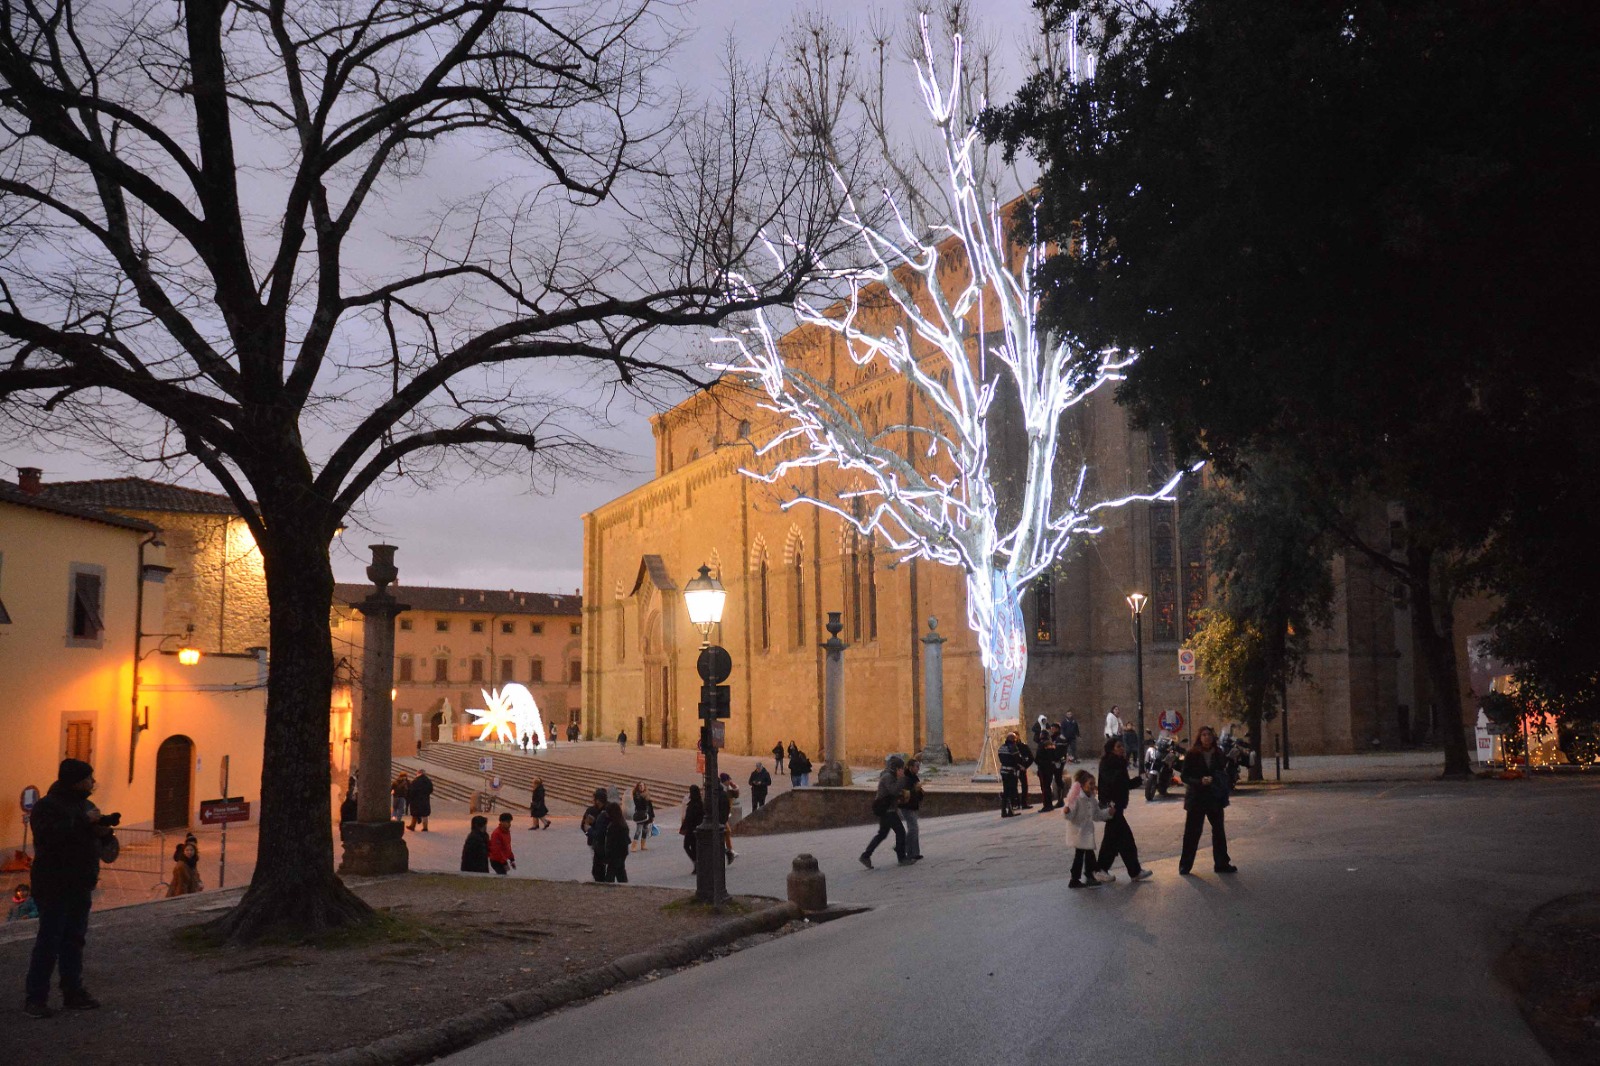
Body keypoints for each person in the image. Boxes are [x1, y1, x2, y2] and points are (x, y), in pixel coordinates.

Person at [25, 758, 114, 1017]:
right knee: (49, 941)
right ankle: (36, 998)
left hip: (80, 884)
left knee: (74, 940)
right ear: (75, 780)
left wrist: (103, 833)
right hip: (53, 884)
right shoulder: (46, 807)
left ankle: (72, 991)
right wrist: (81, 822)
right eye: (88, 778)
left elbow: (97, 844)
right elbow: (48, 837)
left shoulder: (86, 805)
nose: (93, 782)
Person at [1179, 726, 1238, 875]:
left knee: (1219, 831)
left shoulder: (1218, 753)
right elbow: (1184, 776)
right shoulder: (1192, 754)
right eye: (1204, 735)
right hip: (1197, 798)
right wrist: (1200, 781)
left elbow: (1223, 772)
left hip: (1214, 797)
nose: (1207, 737)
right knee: (1192, 833)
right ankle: (1185, 865)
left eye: (1209, 735)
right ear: (1199, 737)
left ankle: (1222, 863)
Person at [1097, 738, 1152, 881]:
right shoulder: (1108, 763)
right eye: (1118, 746)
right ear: (1111, 749)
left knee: (1115, 841)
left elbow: (1125, 784)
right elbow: (1113, 784)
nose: (1122, 749)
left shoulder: (1119, 763)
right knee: (1124, 840)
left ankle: (1104, 870)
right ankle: (1131, 871)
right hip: (1112, 807)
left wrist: (1140, 779)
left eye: (1122, 746)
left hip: (1117, 807)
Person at [1064, 770, 1116, 889]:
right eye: (1090, 783)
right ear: (1082, 785)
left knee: (1084, 855)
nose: (1093, 786)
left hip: (1086, 831)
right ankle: (1083, 877)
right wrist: (1067, 812)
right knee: (1086, 855)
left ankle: (1081, 877)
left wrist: (1108, 812)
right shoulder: (1077, 798)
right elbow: (1070, 815)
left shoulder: (1092, 799)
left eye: (1094, 783)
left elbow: (1096, 814)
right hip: (1078, 832)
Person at [859, 755, 910, 869]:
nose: (903, 771)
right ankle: (902, 858)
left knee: (882, 834)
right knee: (900, 832)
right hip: (887, 811)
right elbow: (893, 790)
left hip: (888, 809)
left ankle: (866, 855)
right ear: (897, 768)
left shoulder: (890, 776)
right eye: (902, 768)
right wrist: (901, 779)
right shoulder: (887, 777)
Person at [899, 757, 926, 861]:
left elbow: (916, 791)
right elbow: (906, 793)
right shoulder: (906, 778)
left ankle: (914, 853)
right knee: (913, 829)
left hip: (913, 806)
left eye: (919, 766)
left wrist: (920, 791)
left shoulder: (914, 777)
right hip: (907, 807)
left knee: (914, 829)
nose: (918, 768)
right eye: (916, 767)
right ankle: (902, 847)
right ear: (910, 767)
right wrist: (916, 789)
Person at [583, 788, 611, 882]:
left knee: (601, 864)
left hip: (606, 841)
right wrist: (589, 833)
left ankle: (604, 880)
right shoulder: (591, 810)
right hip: (595, 842)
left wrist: (590, 829)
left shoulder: (610, 810)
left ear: (598, 800)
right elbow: (583, 826)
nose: (593, 800)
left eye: (594, 798)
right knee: (598, 865)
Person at [998, 732, 1025, 817]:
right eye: (1015, 739)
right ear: (1013, 739)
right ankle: (1010, 810)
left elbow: (1001, 759)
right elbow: (1018, 759)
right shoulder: (1013, 747)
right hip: (1011, 772)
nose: (1016, 740)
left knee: (1005, 791)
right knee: (1012, 791)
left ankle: (1003, 811)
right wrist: (1020, 764)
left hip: (1003, 771)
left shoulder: (1001, 747)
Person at [604, 802, 632, 883]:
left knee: (611, 874)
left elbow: (611, 843)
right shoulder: (622, 824)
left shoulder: (615, 826)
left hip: (615, 854)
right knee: (620, 872)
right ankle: (624, 887)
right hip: (621, 853)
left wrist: (608, 855)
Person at [1034, 729, 1060, 812]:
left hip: (1043, 768)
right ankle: (1050, 804)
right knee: (1048, 786)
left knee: (1045, 787)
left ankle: (1047, 805)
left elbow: (1038, 757)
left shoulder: (1042, 744)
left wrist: (1038, 763)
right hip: (1050, 767)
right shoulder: (1051, 743)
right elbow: (1055, 756)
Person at [681, 785, 704, 874]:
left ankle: (696, 863)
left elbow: (689, 817)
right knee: (693, 847)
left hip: (692, 829)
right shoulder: (699, 803)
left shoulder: (694, 804)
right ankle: (697, 864)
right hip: (695, 829)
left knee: (688, 846)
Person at [716, 774, 738, 863]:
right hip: (722, 817)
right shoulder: (722, 791)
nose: (730, 781)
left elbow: (736, 795)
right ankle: (729, 851)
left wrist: (734, 787)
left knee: (725, 833)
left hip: (721, 818)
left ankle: (729, 851)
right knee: (725, 833)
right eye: (728, 780)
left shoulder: (725, 790)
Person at [631, 783, 655, 852]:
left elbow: (650, 806)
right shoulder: (636, 795)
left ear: (645, 787)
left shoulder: (647, 795)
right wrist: (642, 797)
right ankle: (634, 846)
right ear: (637, 787)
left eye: (642, 786)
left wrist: (652, 815)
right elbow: (638, 805)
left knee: (645, 829)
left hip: (648, 815)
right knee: (638, 830)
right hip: (640, 815)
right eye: (640, 786)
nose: (641, 787)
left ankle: (643, 845)